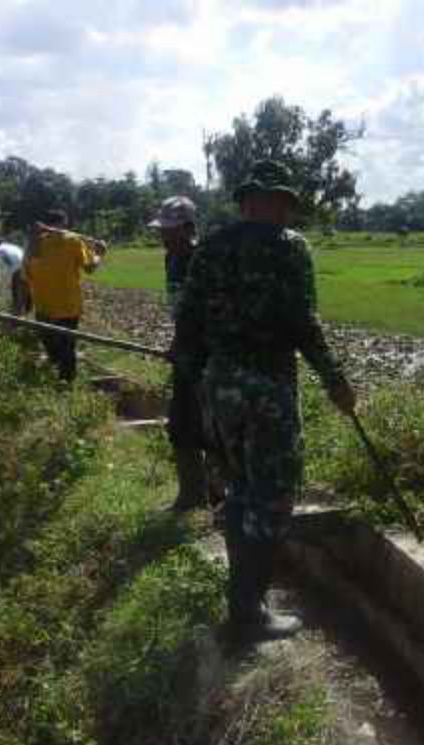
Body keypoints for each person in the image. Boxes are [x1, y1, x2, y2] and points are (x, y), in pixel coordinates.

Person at [173, 159, 357, 641]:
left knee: (239, 489)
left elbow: (187, 318)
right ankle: (248, 612)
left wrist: (194, 374)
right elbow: (304, 323)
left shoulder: (211, 246)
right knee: (273, 496)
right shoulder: (290, 248)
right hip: (267, 387)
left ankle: (243, 600)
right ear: (264, 202)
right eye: (281, 203)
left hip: (220, 387)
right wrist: (335, 379)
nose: (285, 213)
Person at [149, 196, 221, 512]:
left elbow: (213, 312)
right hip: (186, 355)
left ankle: (220, 495)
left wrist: (189, 346)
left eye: (170, 229)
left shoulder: (204, 259)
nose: (163, 235)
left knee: (214, 427)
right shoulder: (171, 259)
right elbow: (182, 313)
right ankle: (192, 496)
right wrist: (177, 343)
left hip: (211, 358)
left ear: (189, 228)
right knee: (180, 425)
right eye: (162, 229)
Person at [22, 209, 103, 382]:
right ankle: (66, 383)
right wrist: (99, 254)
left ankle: (56, 371)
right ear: (63, 223)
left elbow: (26, 273)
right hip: (68, 306)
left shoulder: (33, 245)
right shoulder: (73, 240)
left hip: (43, 305)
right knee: (67, 347)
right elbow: (89, 268)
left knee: (50, 342)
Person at [0, 239, 28, 314]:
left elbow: (4, 264)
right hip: (26, 266)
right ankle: (22, 313)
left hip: (17, 269)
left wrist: (7, 279)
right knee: (23, 292)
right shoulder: (12, 246)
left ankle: (17, 315)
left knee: (17, 294)